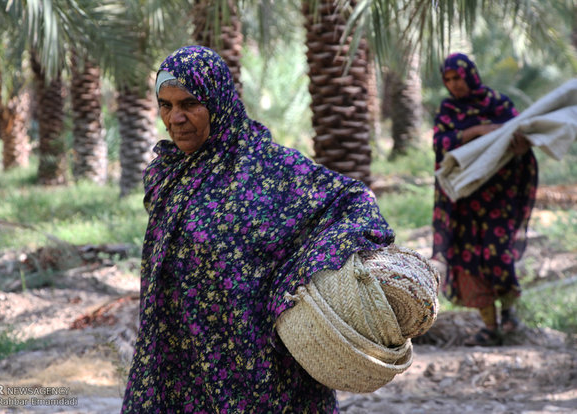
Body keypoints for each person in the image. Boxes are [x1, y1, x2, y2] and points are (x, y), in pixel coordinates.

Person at [121, 45, 396, 413]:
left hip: (255, 368)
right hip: (178, 360)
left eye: (189, 104)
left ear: (217, 102)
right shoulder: (167, 175)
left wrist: (298, 275)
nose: (175, 118)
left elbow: (356, 202)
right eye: (166, 105)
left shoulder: (270, 169)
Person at [432, 53, 538, 346]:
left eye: (458, 77)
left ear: (471, 75)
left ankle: (510, 313)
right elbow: (440, 143)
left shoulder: (499, 105)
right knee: (468, 261)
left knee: (498, 254)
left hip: (498, 198)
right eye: (448, 79)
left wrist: (518, 145)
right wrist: (477, 131)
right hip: (463, 202)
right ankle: (490, 328)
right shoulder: (448, 109)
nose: (454, 84)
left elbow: (523, 137)